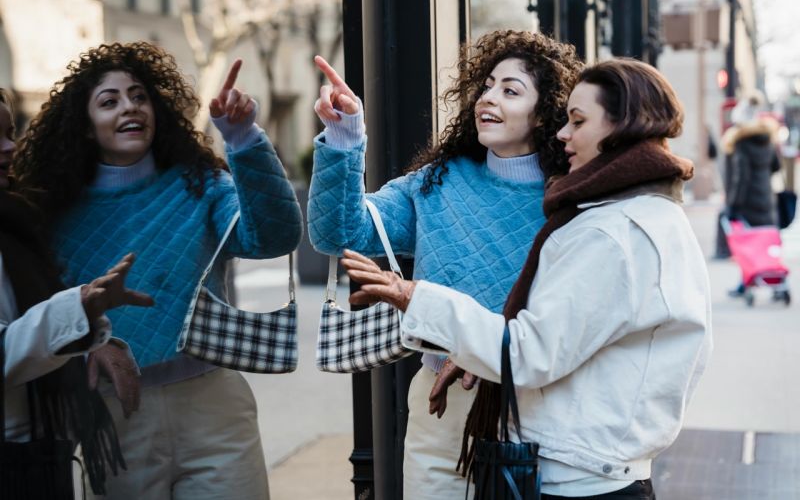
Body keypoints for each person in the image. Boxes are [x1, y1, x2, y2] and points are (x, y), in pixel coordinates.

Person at [341, 59, 712, 499]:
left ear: (622, 127)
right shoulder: (634, 212)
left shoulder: (611, 232)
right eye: (487, 86)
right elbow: (569, 338)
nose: (563, 132)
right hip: (586, 461)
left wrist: (414, 296)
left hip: (578, 473)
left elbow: (530, 352)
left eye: (578, 121)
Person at [12, 43, 303, 499]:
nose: (129, 107)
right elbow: (38, 317)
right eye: (109, 101)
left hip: (213, 405)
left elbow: (274, 237)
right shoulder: (53, 211)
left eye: (139, 96)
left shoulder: (202, 183)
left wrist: (244, 140)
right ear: (85, 128)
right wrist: (85, 350)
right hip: (113, 412)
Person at [308, 30, 582, 498]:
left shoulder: (569, 198)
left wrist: (486, 351)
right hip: (437, 402)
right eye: (488, 84)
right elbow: (338, 235)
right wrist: (344, 138)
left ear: (546, 113)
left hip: (530, 409)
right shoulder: (436, 182)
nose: (488, 98)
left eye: (511, 90)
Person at [1, 87, 153, 495]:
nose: (9, 148)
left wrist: (90, 338)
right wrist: (81, 307)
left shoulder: (19, 219)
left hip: (41, 448)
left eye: (10, 132)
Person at [722, 94, 781, 296]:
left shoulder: (742, 144)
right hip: (767, 200)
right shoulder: (767, 140)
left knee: (747, 245)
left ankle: (746, 283)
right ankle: (776, 284)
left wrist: (732, 205)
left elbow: (741, 179)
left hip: (748, 203)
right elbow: (776, 166)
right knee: (767, 244)